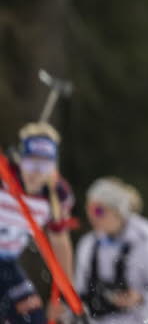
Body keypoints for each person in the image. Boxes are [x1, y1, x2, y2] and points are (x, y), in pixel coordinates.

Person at [0, 123, 76, 324]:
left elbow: (60, 244)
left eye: (43, 166)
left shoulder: (56, 197)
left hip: (7, 263)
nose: (36, 173)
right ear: (20, 159)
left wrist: (63, 294)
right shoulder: (4, 178)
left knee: (31, 317)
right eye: (31, 164)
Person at [74, 178, 148, 324]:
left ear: (117, 211)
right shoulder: (87, 245)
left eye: (98, 210)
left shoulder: (145, 246)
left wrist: (140, 298)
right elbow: (80, 290)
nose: (92, 217)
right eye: (88, 209)